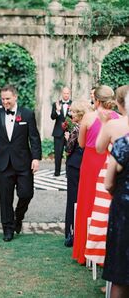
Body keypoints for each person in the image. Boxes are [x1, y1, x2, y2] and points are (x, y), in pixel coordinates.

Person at [0, 85, 42, 242]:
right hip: (3, 163)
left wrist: (36, 158)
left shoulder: (27, 114)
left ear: (15, 97)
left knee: (27, 193)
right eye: (3, 99)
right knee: (5, 198)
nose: (5, 101)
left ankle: (18, 217)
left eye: (8, 98)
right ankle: (8, 229)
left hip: (24, 162)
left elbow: (34, 137)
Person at [72, 85, 119, 265]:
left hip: (91, 163)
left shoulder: (88, 118)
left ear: (96, 100)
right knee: (105, 206)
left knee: (87, 203)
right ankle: (106, 252)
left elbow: (82, 144)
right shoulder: (119, 119)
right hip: (110, 163)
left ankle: (84, 253)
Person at [85, 85, 129, 266]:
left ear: (119, 103)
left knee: (107, 222)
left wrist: (104, 124)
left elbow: (99, 148)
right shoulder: (118, 119)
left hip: (112, 174)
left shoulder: (113, 123)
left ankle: (110, 272)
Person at [102, 94, 129, 298]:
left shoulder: (124, 144)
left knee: (120, 272)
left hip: (124, 210)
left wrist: (117, 192)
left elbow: (108, 182)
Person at [64, 100, 91, 247]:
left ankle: (70, 233)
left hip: (74, 166)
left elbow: (69, 149)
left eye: (73, 112)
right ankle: (83, 233)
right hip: (87, 165)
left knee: (72, 199)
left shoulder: (77, 128)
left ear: (80, 113)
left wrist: (67, 139)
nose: (71, 114)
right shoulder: (92, 126)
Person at [51, 87, 72, 176]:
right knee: (58, 153)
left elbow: (76, 118)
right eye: (64, 93)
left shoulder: (73, 104)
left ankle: (68, 172)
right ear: (62, 93)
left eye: (67, 93)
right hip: (58, 132)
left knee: (69, 153)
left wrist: (71, 114)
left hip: (69, 132)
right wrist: (58, 111)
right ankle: (57, 172)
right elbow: (52, 117)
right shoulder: (56, 104)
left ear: (69, 94)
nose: (66, 95)